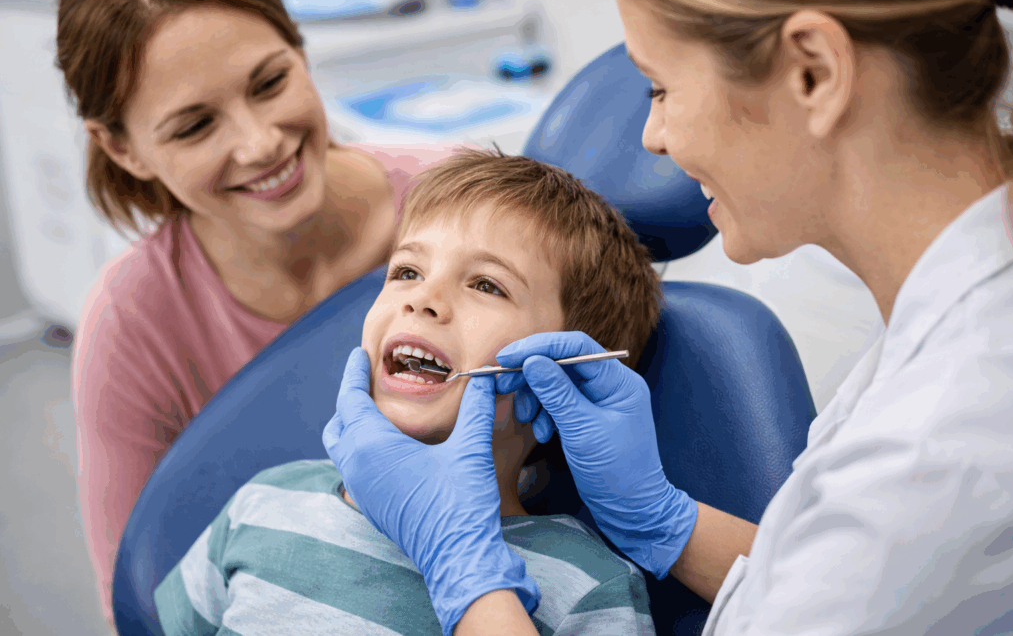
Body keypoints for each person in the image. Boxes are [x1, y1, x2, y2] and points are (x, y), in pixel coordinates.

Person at [323, 0, 1013, 634]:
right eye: (406, 272)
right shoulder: (949, 332)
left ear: (814, 71)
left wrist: (464, 572)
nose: (652, 138)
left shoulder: (951, 440)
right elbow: (829, 588)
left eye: (660, 89)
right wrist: (662, 522)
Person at [56, 0, 458, 629]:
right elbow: (142, 604)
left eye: (270, 83)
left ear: (299, 47)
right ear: (123, 149)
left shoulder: (463, 209)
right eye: (195, 126)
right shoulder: (132, 326)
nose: (260, 143)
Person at [156, 147, 662, 636]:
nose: (423, 298)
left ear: (564, 373)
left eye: (486, 285)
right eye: (406, 271)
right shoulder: (265, 501)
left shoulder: (584, 586)